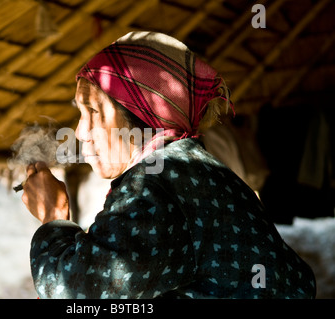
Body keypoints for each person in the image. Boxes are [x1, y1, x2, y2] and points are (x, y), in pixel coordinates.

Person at [21, 31, 316, 298]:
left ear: (140, 117)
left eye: (93, 112)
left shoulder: (153, 184)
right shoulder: (194, 169)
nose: (81, 132)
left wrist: (53, 219)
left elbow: (74, 291)